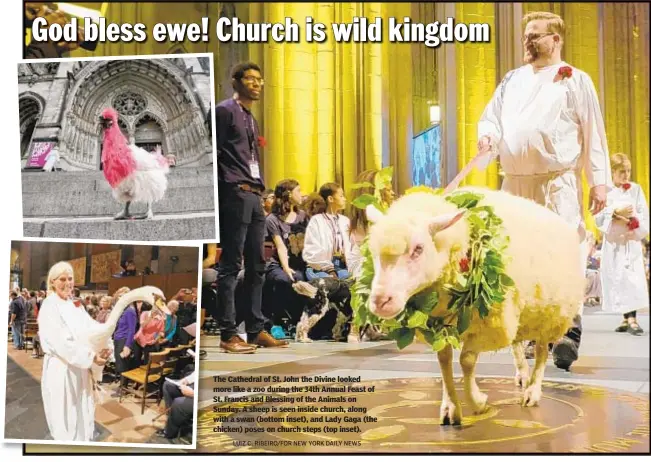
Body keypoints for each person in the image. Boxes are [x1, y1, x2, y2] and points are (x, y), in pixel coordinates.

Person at [477, 11, 611, 370]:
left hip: (558, 184)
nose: (527, 41)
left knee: (564, 254)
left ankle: (569, 330)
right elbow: (492, 116)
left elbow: (593, 131)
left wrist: (598, 180)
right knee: (519, 256)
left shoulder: (574, 80)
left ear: (556, 40)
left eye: (535, 35)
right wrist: (488, 136)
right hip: (516, 185)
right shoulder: (511, 80)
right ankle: (534, 329)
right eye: (526, 35)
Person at [215, 61, 288, 353]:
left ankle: (256, 328)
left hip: (255, 195)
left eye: (260, 79)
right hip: (234, 192)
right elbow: (215, 153)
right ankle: (228, 333)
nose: (257, 84)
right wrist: (225, 190)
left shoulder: (250, 117)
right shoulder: (224, 111)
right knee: (231, 265)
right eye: (250, 79)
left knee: (258, 265)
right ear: (236, 81)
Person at [38, 262, 110, 441]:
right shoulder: (49, 305)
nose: (67, 283)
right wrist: (92, 356)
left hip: (81, 368)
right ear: (52, 282)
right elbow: (62, 343)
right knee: (66, 416)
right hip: (62, 369)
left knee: (82, 410)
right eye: (62, 279)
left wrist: (106, 343)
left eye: (70, 278)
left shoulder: (74, 304)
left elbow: (91, 327)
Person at [595, 153, 649, 335]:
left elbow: (643, 212)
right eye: (622, 172)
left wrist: (634, 220)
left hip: (630, 241)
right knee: (618, 279)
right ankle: (626, 318)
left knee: (631, 279)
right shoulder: (606, 191)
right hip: (614, 244)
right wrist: (614, 213)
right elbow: (598, 216)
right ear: (613, 172)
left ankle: (633, 319)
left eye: (628, 171)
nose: (626, 175)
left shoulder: (635, 189)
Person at [264, 179, 309, 327]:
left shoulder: (303, 216)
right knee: (284, 279)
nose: (301, 195)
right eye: (298, 191)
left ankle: (298, 322)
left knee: (302, 279)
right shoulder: (273, 219)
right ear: (289, 194)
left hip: (300, 262)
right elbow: (280, 246)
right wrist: (285, 267)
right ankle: (276, 321)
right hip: (278, 263)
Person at [303, 183, 352, 280]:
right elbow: (312, 250)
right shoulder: (317, 220)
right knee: (331, 284)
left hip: (342, 265)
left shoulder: (345, 221)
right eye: (341, 196)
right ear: (330, 199)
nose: (344, 199)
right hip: (320, 267)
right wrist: (329, 269)